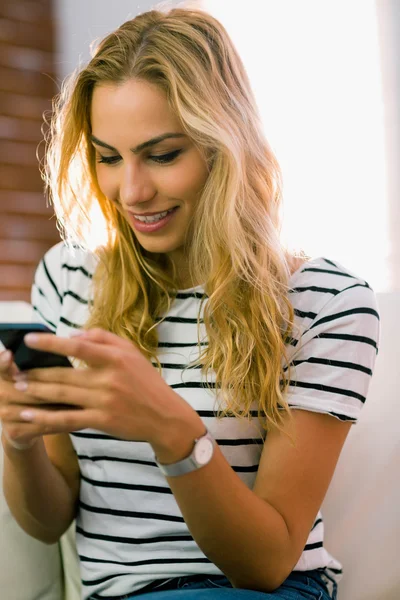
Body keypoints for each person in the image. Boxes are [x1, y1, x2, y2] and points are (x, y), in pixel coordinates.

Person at [0, 4, 380, 600]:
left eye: (162, 154)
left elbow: (266, 564)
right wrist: (19, 438)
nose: (132, 191)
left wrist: (170, 428)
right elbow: (49, 520)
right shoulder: (69, 279)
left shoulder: (328, 301)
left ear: (224, 146)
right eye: (108, 157)